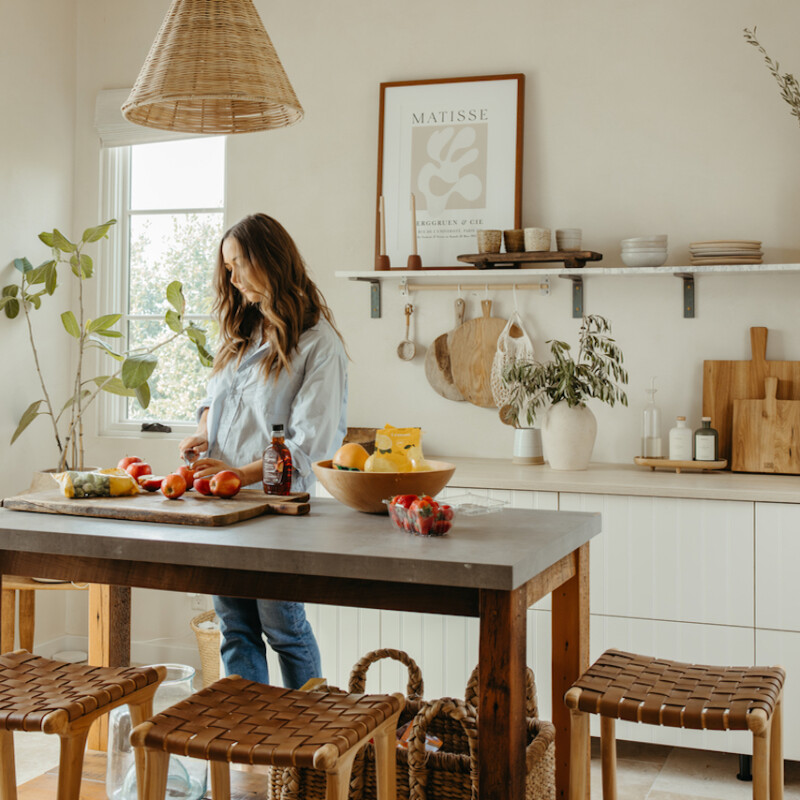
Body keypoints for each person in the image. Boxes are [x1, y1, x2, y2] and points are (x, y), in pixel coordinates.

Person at [180, 213, 347, 688]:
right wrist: (202, 432)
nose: (231, 278)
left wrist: (236, 475)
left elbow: (309, 448)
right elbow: (214, 398)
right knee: (235, 631)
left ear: (268, 261)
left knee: (283, 629)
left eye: (239, 265)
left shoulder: (318, 345)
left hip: (276, 512)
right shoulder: (243, 330)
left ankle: (308, 750)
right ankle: (254, 748)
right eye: (227, 268)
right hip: (223, 507)